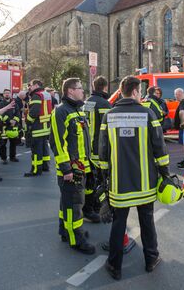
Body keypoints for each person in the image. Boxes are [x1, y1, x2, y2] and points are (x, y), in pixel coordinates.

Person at [98, 76, 170, 280]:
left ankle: (114, 266)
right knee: (147, 221)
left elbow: (103, 152)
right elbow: (160, 149)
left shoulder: (109, 116)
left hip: (119, 184)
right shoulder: (148, 114)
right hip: (145, 183)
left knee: (118, 223)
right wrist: (165, 174)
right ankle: (151, 259)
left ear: (121, 92)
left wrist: (105, 178)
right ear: (136, 92)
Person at [49, 78, 96, 254]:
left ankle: (65, 231)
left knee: (68, 202)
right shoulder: (61, 111)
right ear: (70, 91)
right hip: (72, 169)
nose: (82, 91)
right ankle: (76, 238)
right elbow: (57, 143)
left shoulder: (78, 110)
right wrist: (66, 168)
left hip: (82, 166)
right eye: (79, 88)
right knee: (74, 204)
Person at [82, 76, 112, 223]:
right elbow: (108, 130)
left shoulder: (86, 102)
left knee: (89, 181)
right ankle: (94, 209)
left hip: (86, 149)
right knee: (99, 182)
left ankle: (90, 208)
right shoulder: (105, 104)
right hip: (98, 151)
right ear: (105, 88)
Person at [25, 79, 53, 177]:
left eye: (31, 85)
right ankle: (45, 166)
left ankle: (36, 169)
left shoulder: (36, 95)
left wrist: (28, 121)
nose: (29, 87)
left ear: (36, 85)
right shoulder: (46, 94)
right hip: (46, 126)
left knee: (36, 150)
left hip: (38, 127)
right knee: (44, 147)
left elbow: (34, 112)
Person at [0, 89, 21, 164]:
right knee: (3, 144)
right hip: (3, 127)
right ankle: (4, 158)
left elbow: (18, 114)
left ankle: (12, 157)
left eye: (8, 93)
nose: (7, 94)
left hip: (13, 126)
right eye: (5, 93)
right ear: (3, 95)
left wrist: (15, 121)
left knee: (13, 143)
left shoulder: (15, 104)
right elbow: (0, 114)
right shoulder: (0, 104)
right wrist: (9, 120)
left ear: (11, 94)